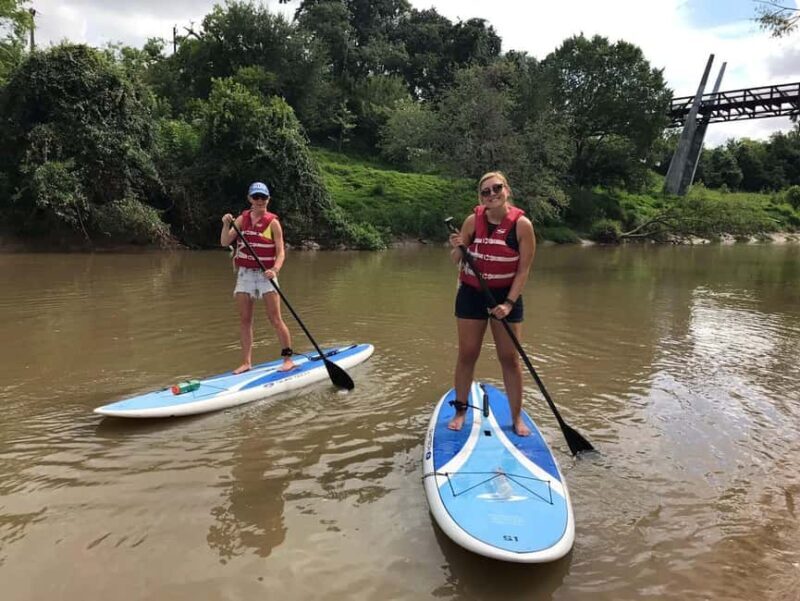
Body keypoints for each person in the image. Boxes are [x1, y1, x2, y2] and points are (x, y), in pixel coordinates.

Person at [447, 171, 536, 436]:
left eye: (496, 188)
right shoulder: (472, 221)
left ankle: (516, 418)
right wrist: (458, 246)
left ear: (507, 190)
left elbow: (523, 271)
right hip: (472, 293)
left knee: (509, 358)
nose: (492, 194)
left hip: (506, 296)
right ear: (480, 197)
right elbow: (455, 259)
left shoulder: (522, 226)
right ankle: (460, 410)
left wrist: (508, 303)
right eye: (485, 192)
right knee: (467, 354)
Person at [221, 182, 296, 374]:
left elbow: (280, 253)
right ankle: (246, 362)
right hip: (245, 275)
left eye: (263, 197)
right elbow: (224, 242)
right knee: (245, 320)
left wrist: (275, 269)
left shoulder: (273, 223)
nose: (260, 201)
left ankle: (288, 359)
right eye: (256, 197)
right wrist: (226, 224)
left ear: (268, 199)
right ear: (250, 199)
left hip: (265, 275)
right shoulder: (241, 219)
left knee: (275, 319)